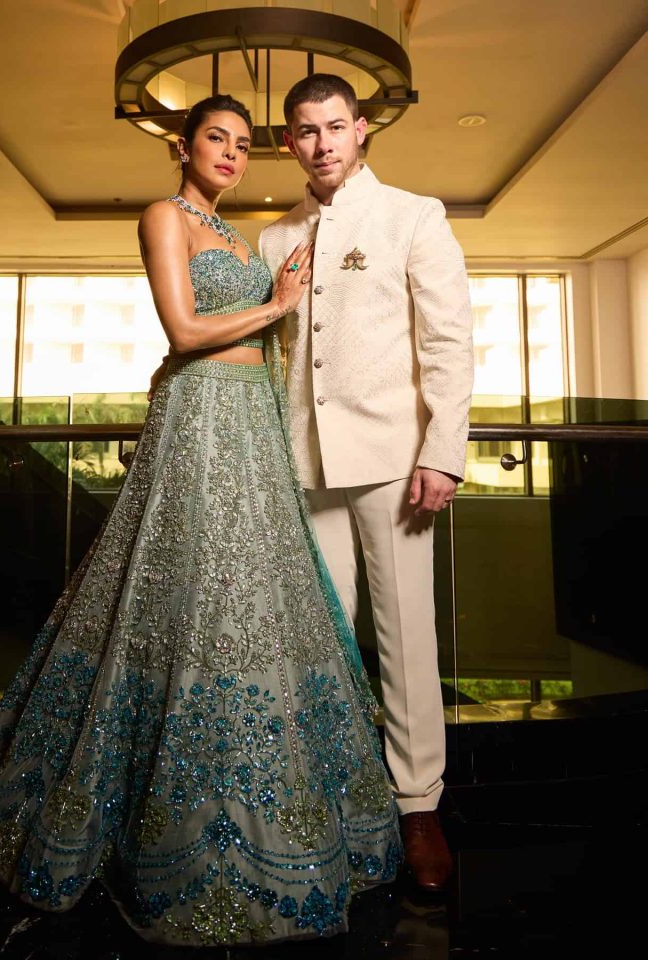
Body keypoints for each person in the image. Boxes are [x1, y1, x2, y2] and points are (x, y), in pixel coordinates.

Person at [0, 94, 402, 946]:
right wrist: (277, 306)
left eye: (241, 143)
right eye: (215, 138)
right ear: (183, 144)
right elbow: (185, 328)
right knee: (184, 584)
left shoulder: (239, 237)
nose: (230, 153)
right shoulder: (164, 217)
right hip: (200, 417)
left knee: (249, 594)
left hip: (251, 419)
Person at [260, 75, 474, 893]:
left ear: (361, 132)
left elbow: (448, 341)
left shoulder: (414, 215)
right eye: (306, 130)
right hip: (302, 461)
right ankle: (338, 788)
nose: (322, 143)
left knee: (405, 634)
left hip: (395, 460)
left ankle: (418, 804)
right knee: (322, 635)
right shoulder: (274, 237)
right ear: (290, 142)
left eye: (335, 126)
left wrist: (442, 451)